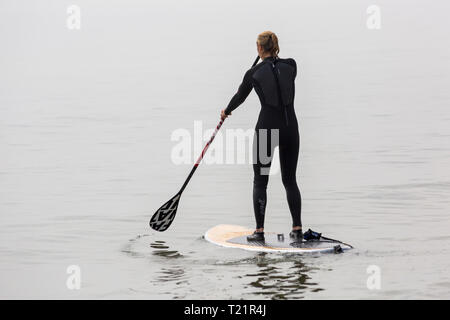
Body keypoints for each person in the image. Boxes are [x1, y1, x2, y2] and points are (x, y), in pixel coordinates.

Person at [221, 31, 302, 242]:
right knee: (290, 180)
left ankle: (259, 232)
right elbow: (279, 74)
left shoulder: (253, 73)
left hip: (267, 129)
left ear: (259, 48)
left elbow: (240, 96)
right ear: (276, 46)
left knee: (260, 182)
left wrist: (226, 111)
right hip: (290, 129)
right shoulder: (291, 65)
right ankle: (297, 228)